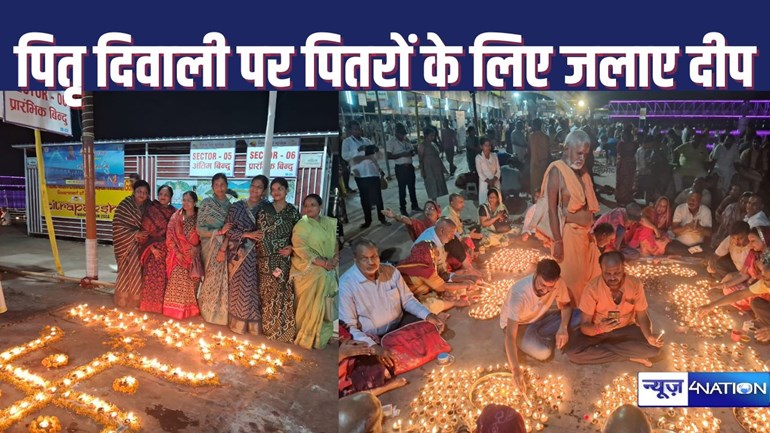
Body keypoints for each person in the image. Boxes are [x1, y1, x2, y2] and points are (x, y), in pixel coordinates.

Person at [339, 239, 445, 367]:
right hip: (374, 337)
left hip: (400, 324)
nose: (371, 262)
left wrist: (428, 315)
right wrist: (374, 348)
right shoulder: (346, 285)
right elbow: (350, 327)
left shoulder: (390, 271)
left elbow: (408, 300)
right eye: (364, 259)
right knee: (379, 365)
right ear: (355, 259)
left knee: (430, 327)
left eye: (374, 257)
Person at [532, 130, 601, 307]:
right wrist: (558, 241)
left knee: (589, 277)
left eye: (585, 154)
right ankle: (571, 320)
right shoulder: (557, 171)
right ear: (566, 148)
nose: (582, 158)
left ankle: (583, 313)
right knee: (572, 281)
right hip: (568, 236)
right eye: (579, 153)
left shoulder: (582, 171)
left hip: (585, 235)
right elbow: (552, 210)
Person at [565, 252, 663, 366]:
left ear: (623, 268)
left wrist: (649, 336)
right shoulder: (592, 289)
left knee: (654, 349)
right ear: (601, 269)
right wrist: (600, 328)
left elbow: (642, 315)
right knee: (573, 353)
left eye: (617, 273)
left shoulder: (635, 284)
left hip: (625, 329)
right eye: (607, 273)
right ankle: (630, 356)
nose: (612, 277)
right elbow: (585, 326)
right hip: (598, 332)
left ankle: (601, 349)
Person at [501, 259, 574, 393]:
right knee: (544, 353)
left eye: (551, 287)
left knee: (578, 315)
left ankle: (542, 336)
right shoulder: (519, 293)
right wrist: (515, 370)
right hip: (520, 325)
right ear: (536, 274)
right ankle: (527, 342)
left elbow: (566, 306)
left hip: (540, 318)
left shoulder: (559, 282)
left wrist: (563, 328)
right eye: (542, 285)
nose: (546, 290)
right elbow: (510, 335)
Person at [257, 177, 302, 342]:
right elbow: (261, 234)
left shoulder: (292, 211)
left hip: (283, 260)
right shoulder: (265, 210)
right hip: (265, 259)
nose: (276, 192)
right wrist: (270, 249)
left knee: (282, 292)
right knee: (266, 293)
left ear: (286, 191)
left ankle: (283, 331)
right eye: (273, 189)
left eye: (280, 189)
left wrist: (291, 248)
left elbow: (298, 234)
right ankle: (267, 328)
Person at [292, 194, 339, 350]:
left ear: (320, 206)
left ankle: (319, 338)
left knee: (326, 302)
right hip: (308, 268)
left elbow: (335, 242)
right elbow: (300, 248)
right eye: (306, 205)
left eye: (312, 205)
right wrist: (322, 263)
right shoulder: (302, 225)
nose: (309, 208)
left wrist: (334, 260)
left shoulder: (328, 223)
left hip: (328, 267)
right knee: (316, 283)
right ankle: (305, 336)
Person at [224, 175, 268, 335]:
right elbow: (228, 230)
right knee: (236, 287)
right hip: (238, 254)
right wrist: (247, 234)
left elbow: (269, 232)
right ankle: (236, 323)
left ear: (264, 190)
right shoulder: (236, 207)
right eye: (253, 185)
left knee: (253, 289)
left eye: (259, 187)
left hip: (257, 255)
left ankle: (252, 325)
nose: (255, 189)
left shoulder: (267, 208)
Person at [397, 240, 473, 314]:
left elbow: (437, 283)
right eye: (436, 254)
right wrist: (467, 285)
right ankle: (454, 303)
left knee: (448, 290)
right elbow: (442, 286)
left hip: (412, 295)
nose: (437, 257)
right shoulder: (424, 269)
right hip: (405, 303)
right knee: (432, 306)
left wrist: (443, 292)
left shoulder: (406, 262)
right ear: (430, 254)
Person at [699, 250, 770, 328]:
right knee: (756, 302)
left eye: (766, 278)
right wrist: (711, 305)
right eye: (762, 275)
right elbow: (740, 294)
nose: (762, 279)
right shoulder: (764, 283)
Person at [197, 173, 233, 325]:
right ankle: (205, 310)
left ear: (227, 186)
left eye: (222, 184)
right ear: (212, 187)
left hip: (224, 248)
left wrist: (223, 247)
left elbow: (231, 230)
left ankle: (218, 313)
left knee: (222, 281)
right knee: (209, 278)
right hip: (209, 246)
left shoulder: (232, 207)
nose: (220, 188)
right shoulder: (206, 204)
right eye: (216, 185)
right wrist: (218, 232)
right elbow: (199, 229)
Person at [137, 185, 176, 313]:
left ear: (170, 198)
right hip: (153, 250)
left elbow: (176, 233)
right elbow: (144, 232)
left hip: (168, 250)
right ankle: (147, 306)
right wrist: (152, 249)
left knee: (164, 279)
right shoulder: (151, 210)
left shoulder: (175, 213)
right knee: (150, 278)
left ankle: (160, 308)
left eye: (166, 195)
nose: (163, 197)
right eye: (161, 194)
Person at [342, 120, 388, 229]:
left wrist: (376, 152)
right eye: (355, 129)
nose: (358, 131)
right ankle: (368, 220)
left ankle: (382, 218)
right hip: (360, 174)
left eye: (359, 129)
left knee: (378, 198)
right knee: (365, 198)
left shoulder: (367, 140)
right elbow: (345, 156)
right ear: (350, 130)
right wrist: (358, 150)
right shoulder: (347, 142)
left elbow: (376, 157)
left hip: (372, 172)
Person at [163, 191, 202, 319]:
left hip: (193, 257)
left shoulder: (200, 217)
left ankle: (189, 311)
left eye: (189, 200)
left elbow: (204, 238)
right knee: (177, 279)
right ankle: (173, 311)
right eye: (184, 200)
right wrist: (177, 253)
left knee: (191, 284)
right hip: (177, 256)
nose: (186, 203)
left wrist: (196, 249)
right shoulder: (176, 217)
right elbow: (169, 237)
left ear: (195, 202)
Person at [113, 180, 151, 309]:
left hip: (144, 245)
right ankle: (122, 299)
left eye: (145, 192)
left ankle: (136, 300)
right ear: (134, 192)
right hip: (127, 245)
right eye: (139, 191)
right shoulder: (125, 205)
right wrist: (134, 235)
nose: (142, 194)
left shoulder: (149, 207)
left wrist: (145, 236)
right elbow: (117, 226)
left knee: (140, 272)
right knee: (127, 270)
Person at [385, 123, 420, 216]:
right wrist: (401, 155)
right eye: (401, 134)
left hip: (409, 166)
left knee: (412, 187)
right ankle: (403, 208)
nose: (403, 136)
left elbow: (411, 149)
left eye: (403, 134)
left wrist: (412, 152)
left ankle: (414, 205)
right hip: (401, 168)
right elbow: (388, 156)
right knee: (402, 189)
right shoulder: (391, 142)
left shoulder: (406, 140)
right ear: (396, 132)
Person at [666, 191, 712, 256]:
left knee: (706, 250)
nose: (691, 201)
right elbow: (674, 231)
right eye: (690, 199)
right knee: (670, 248)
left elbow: (709, 233)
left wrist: (699, 228)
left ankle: (687, 254)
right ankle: (689, 253)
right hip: (679, 245)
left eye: (694, 199)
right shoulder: (680, 208)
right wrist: (686, 227)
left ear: (699, 201)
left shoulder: (705, 211)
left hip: (697, 245)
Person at [419, 126, 449, 202]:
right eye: (431, 136)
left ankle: (435, 201)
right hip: (428, 168)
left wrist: (443, 169)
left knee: (438, 184)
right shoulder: (422, 145)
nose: (433, 137)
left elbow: (438, 156)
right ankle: (434, 201)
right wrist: (422, 170)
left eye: (434, 136)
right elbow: (420, 159)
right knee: (431, 184)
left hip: (436, 167)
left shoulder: (433, 144)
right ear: (426, 136)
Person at [615, 128, 637, 206]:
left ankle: (622, 197)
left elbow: (620, 152)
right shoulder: (633, 144)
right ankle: (625, 197)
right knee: (627, 180)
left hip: (624, 163)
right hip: (628, 163)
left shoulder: (621, 144)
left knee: (624, 180)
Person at [529, 118, 550, 197]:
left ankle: (535, 201)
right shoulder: (545, 137)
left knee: (535, 185)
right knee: (543, 182)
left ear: (535, 125)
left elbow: (532, 151)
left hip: (535, 163)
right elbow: (548, 152)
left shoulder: (531, 136)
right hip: (543, 163)